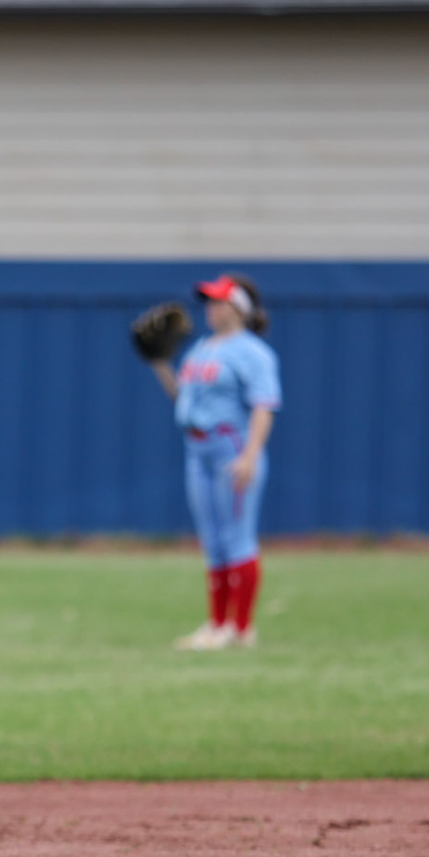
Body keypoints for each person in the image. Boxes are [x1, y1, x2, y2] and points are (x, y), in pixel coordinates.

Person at [145, 273, 282, 650]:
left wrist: (250, 456)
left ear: (238, 308)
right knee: (213, 541)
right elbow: (185, 402)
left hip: (231, 446)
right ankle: (217, 624)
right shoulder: (201, 349)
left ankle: (241, 628)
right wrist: (159, 363)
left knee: (238, 538)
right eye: (209, 301)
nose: (211, 308)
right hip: (197, 447)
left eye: (219, 301)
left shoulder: (252, 352)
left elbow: (263, 406)